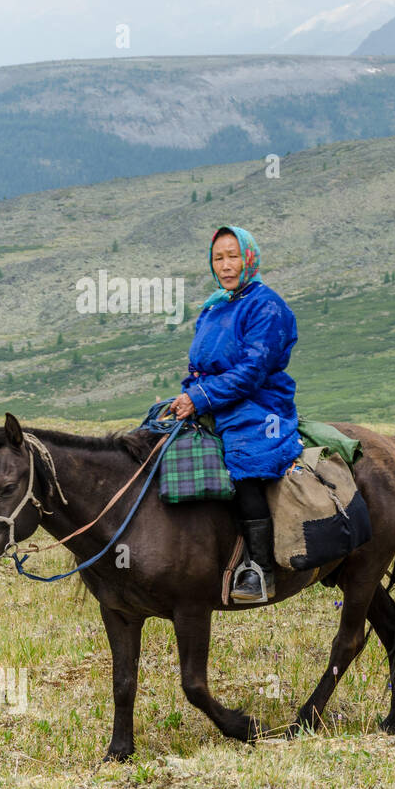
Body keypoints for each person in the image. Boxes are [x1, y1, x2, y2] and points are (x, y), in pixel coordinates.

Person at [170, 226, 302, 602]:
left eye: (233, 256)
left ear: (250, 258)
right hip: (213, 399)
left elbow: (252, 370)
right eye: (218, 258)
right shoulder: (215, 307)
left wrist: (201, 396)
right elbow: (200, 366)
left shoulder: (268, 306)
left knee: (244, 466)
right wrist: (187, 395)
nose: (226, 265)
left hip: (260, 405)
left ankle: (261, 571)